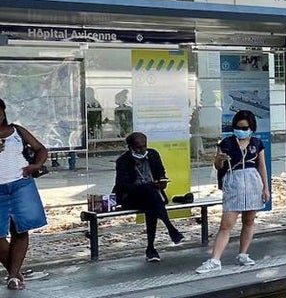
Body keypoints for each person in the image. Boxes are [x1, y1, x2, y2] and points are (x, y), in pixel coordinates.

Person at [196, 111, 269, 273]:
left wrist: (266, 187)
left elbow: (261, 166)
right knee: (226, 224)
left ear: (251, 128)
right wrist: (218, 160)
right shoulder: (226, 143)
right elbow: (218, 166)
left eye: (244, 127)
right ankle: (215, 259)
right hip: (234, 183)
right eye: (237, 127)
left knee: (249, 220)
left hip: (252, 183)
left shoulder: (257, 143)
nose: (240, 130)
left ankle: (243, 254)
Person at [113, 132, 185, 262]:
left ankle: (151, 249)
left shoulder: (153, 154)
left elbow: (161, 173)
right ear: (130, 147)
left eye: (144, 146)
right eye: (138, 148)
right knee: (149, 193)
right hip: (131, 197)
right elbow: (124, 185)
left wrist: (161, 181)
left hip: (152, 196)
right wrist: (150, 185)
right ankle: (171, 229)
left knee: (151, 202)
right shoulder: (123, 161)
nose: (142, 150)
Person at [0, 99, 48, 290]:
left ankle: (13, 276)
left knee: (20, 229)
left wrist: (36, 165)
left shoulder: (17, 130)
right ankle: (15, 271)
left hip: (21, 185)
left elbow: (41, 149)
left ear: (4, 112)